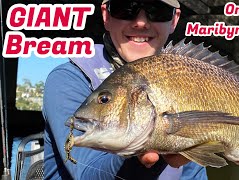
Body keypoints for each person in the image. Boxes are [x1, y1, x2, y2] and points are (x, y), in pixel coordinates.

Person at [43, 0, 208, 179]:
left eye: (157, 10)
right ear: (106, 16)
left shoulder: (190, 82)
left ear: (174, 20)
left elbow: (193, 174)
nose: (141, 22)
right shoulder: (69, 79)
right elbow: (87, 173)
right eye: (126, 8)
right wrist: (155, 146)